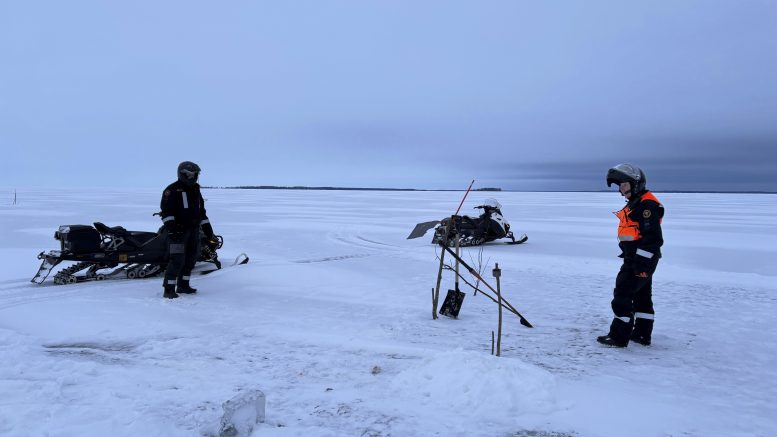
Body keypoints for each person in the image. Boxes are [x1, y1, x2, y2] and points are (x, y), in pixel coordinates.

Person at [597, 163, 664, 347]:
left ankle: (618, 337)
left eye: (624, 185)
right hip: (637, 258)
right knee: (642, 296)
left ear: (636, 184)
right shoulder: (638, 203)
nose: (621, 189)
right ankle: (642, 335)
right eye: (620, 186)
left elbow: (653, 239)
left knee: (622, 294)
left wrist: (640, 263)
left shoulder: (646, 205)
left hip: (640, 260)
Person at [159, 161, 215, 299]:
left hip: (194, 232)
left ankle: (183, 285)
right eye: (189, 174)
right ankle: (169, 289)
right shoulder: (172, 190)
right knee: (177, 260)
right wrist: (172, 229)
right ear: (182, 173)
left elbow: (201, 213)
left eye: (194, 174)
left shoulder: (196, 190)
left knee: (191, 259)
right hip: (177, 233)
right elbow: (166, 212)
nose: (192, 177)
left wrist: (209, 232)